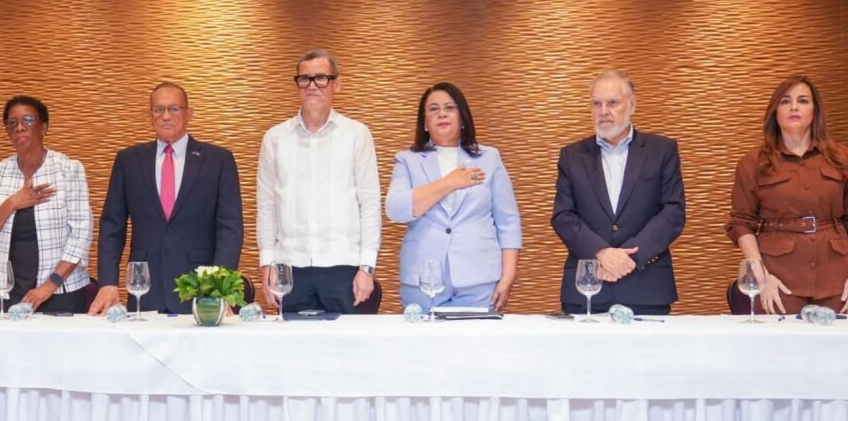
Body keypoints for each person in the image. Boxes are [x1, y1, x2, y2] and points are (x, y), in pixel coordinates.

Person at [88, 82, 243, 315]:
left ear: (189, 113)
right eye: (158, 109)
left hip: (201, 288)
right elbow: (112, 226)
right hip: (144, 288)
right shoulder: (129, 160)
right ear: (150, 116)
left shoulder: (218, 160)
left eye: (174, 108)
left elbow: (230, 228)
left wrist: (219, 285)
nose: (166, 116)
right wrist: (108, 282)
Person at [726, 75, 848, 315]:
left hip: (836, 277)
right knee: (778, 340)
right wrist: (762, 276)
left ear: (815, 110)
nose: (794, 107)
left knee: (836, 340)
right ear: (775, 112)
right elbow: (741, 223)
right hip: (777, 278)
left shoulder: (843, 159)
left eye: (803, 100)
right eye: (785, 101)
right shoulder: (753, 163)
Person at [551, 70, 686, 315]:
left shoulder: (662, 150)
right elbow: (563, 216)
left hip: (646, 286)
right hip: (587, 286)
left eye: (612, 103)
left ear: (632, 105)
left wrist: (629, 257)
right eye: (596, 104)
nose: (603, 111)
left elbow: (673, 213)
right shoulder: (571, 156)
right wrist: (601, 252)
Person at [257, 49, 380, 314]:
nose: (312, 85)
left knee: (348, 341)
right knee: (290, 341)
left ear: (337, 84)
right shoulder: (275, 138)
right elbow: (266, 206)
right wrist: (267, 264)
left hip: (344, 266)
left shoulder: (356, 135)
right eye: (305, 79)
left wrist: (366, 267)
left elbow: (369, 204)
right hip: (289, 267)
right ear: (297, 85)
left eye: (321, 78)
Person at [386, 82, 521, 312]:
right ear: (424, 122)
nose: (442, 114)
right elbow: (396, 209)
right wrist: (449, 182)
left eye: (449, 108)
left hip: (479, 280)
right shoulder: (407, 159)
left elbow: (508, 221)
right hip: (422, 281)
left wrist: (508, 276)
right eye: (433, 109)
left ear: (462, 118)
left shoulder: (489, 158)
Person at [0, 96, 92, 313]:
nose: (19, 127)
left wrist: (48, 286)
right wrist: (12, 202)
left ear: (44, 127)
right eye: (12, 123)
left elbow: (81, 235)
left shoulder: (68, 169)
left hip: (62, 291)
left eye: (27, 120)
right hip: (10, 291)